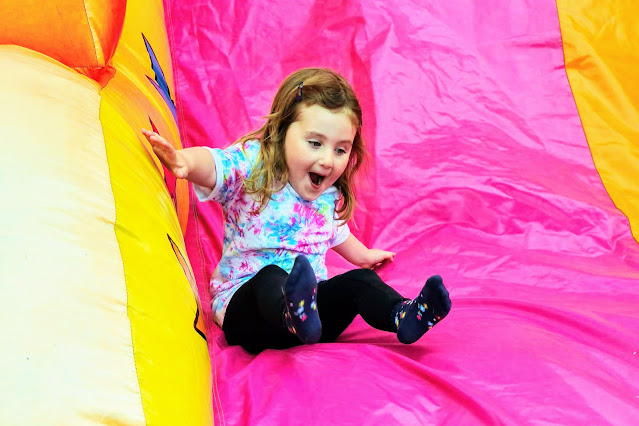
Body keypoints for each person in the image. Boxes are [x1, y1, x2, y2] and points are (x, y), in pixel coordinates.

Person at [142, 68, 451, 354]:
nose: (329, 160)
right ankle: (291, 314)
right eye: (315, 143)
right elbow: (217, 166)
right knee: (271, 277)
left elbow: (334, 231)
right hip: (248, 315)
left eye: (340, 149)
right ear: (282, 131)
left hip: (311, 322)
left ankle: (405, 315)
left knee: (359, 282)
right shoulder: (255, 167)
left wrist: (363, 257)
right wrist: (186, 163)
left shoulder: (326, 196)